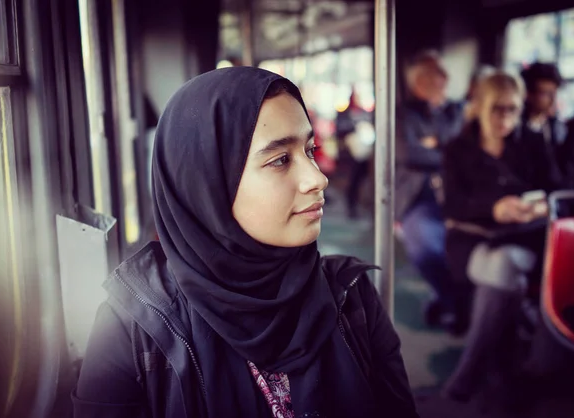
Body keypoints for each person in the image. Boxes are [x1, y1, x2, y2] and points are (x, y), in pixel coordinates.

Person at [72, 67, 418, 418]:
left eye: (310, 150)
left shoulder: (350, 295)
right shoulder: (133, 328)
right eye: (280, 159)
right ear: (206, 185)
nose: (318, 178)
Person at [441, 71, 564, 402]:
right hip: (472, 238)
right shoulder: (458, 149)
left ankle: (472, 372)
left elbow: (557, 189)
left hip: (522, 236)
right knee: (507, 278)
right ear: (480, 107)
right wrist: (494, 208)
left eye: (512, 109)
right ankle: (506, 371)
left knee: (502, 268)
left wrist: (538, 207)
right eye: (498, 109)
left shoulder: (533, 144)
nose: (505, 118)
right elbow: (452, 204)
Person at [395, 50, 466, 332]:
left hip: (457, 196)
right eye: (438, 73)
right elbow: (408, 154)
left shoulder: (454, 111)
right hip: (418, 197)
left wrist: (435, 145)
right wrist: (441, 149)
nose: (446, 78)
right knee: (426, 247)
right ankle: (456, 302)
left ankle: (454, 301)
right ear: (419, 81)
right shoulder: (403, 115)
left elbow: (462, 152)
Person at [520, 62, 568, 179]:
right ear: (529, 94)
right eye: (545, 93)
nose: (552, 100)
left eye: (554, 93)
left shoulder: (556, 126)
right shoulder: (516, 126)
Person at [335, 90, 374, 218]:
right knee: (352, 182)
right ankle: (351, 207)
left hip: (364, 153)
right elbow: (341, 132)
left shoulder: (363, 113)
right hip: (351, 155)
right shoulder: (345, 114)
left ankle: (358, 205)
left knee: (361, 181)